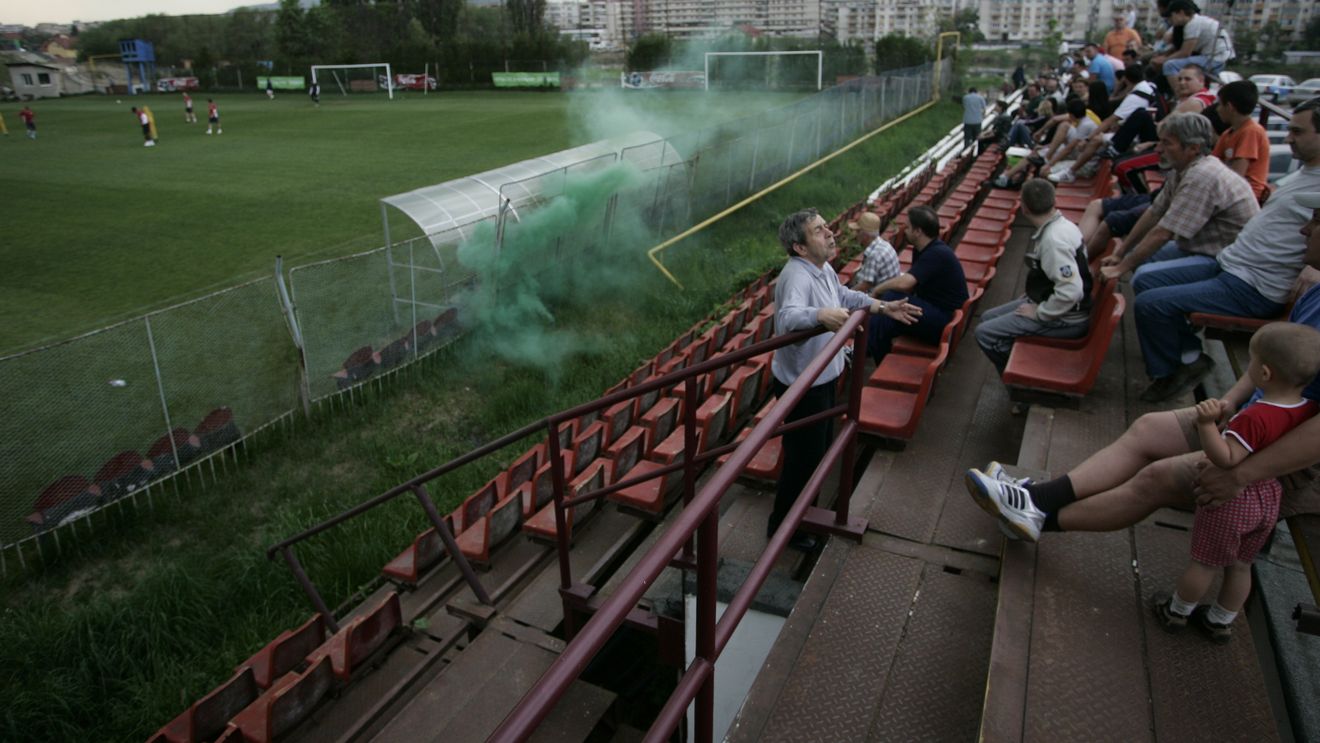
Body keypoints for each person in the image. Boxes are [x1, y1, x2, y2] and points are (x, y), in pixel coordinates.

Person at [962, 192, 1320, 548]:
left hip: (1283, 457)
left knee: (1156, 477)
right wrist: (1228, 404)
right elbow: (1267, 357)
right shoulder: (1313, 287)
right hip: (1252, 421)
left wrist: (1243, 473)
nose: (1304, 230)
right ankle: (1037, 500)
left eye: (1316, 220)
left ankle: (1037, 515)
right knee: (1148, 427)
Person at [1123, 101, 1320, 402]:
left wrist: (1315, 269)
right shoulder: (1304, 173)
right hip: (1231, 263)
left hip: (1252, 285)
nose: (1288, 138)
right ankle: (1189, 356)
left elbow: (1166, 229)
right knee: (1146, 278)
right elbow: (1156, 213)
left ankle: (1169, 372)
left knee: (1151, 303)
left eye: (1297, 131)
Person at [1150, 322, 1320, 643]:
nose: (1249, 367)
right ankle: (1219, 621)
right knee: (1241, 565)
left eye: (1253, 361)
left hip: (1235, 500)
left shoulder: (1255, 416)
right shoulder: (1307, 409)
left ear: (1265, 374)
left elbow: (1226, 458)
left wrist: (1205, 424)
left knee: (1204, 563)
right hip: (1269, 497)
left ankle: (1177, 611)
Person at [770, 208, 922, 550]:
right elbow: (790, 316)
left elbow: (845, 297)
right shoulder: (796, 275)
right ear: (800, 247)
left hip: (822, 379)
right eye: (819, 231)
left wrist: (883, 307)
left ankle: (801, 517)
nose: (830, 233)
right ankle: (785, 529)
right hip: (803, 385)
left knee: (819, 452)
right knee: (803, 458)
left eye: (827, 227)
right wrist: (820, 315)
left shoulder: (821, 269)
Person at [1098, 112, 1258, 287]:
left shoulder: (1202, 175)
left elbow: (1163, 232)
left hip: (1226, 260)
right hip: (1204, 248)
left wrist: (1120, 268)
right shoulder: (1182, 169)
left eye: (1167, 143)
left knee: (1144, 277)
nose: (1158, 149)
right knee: (1138, 257)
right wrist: (1120, 254)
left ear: (1193, 148)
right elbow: (1154, 212)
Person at [974, 179, 1092, 377]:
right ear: (1054, 202)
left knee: (985, 334)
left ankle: (1018, 380)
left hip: (1065, 318)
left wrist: (1040, 312)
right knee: (987, 318)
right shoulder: (1063, 226)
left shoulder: (1054, 241)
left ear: (1024, 208)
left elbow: (1071, 291)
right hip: (1056, 306)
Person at [866, 205, 968, 363]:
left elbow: (906, 283)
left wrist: (877, 289)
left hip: (945, 321)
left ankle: (866, 352)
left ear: (918, 231)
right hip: (936, 312)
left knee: (891, 298)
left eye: (907, 227)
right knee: (891, 310)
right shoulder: (923, 249)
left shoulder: (936, 253)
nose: (904, 230)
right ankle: (871, 352)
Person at [1211, 80, 1271, 203]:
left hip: (1246, 196)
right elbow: (1212, 163)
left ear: (1230, 107)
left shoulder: (1251, 131)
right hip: (1229, 192)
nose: (1217, 109)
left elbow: (1237, 176)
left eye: (1220, 104)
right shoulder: (1228, 133)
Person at [1153, 0, 1232, 88]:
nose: (1171, 19)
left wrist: (1164, 60)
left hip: (1214, 59)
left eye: (1172, 16)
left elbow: (1185, 52)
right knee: (1171, 63)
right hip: (1216, 56)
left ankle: (1180, 95)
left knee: (1170, 65)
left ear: (1181, 13)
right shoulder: (1195, 21)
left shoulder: (1192, 24)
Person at [846, 211, 901, 295]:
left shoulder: (874, 255)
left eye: (857, 231)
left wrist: (846, 295)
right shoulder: (884, 244)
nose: (855, 234)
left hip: (878, 298)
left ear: (865, 235)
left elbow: (865, 286)